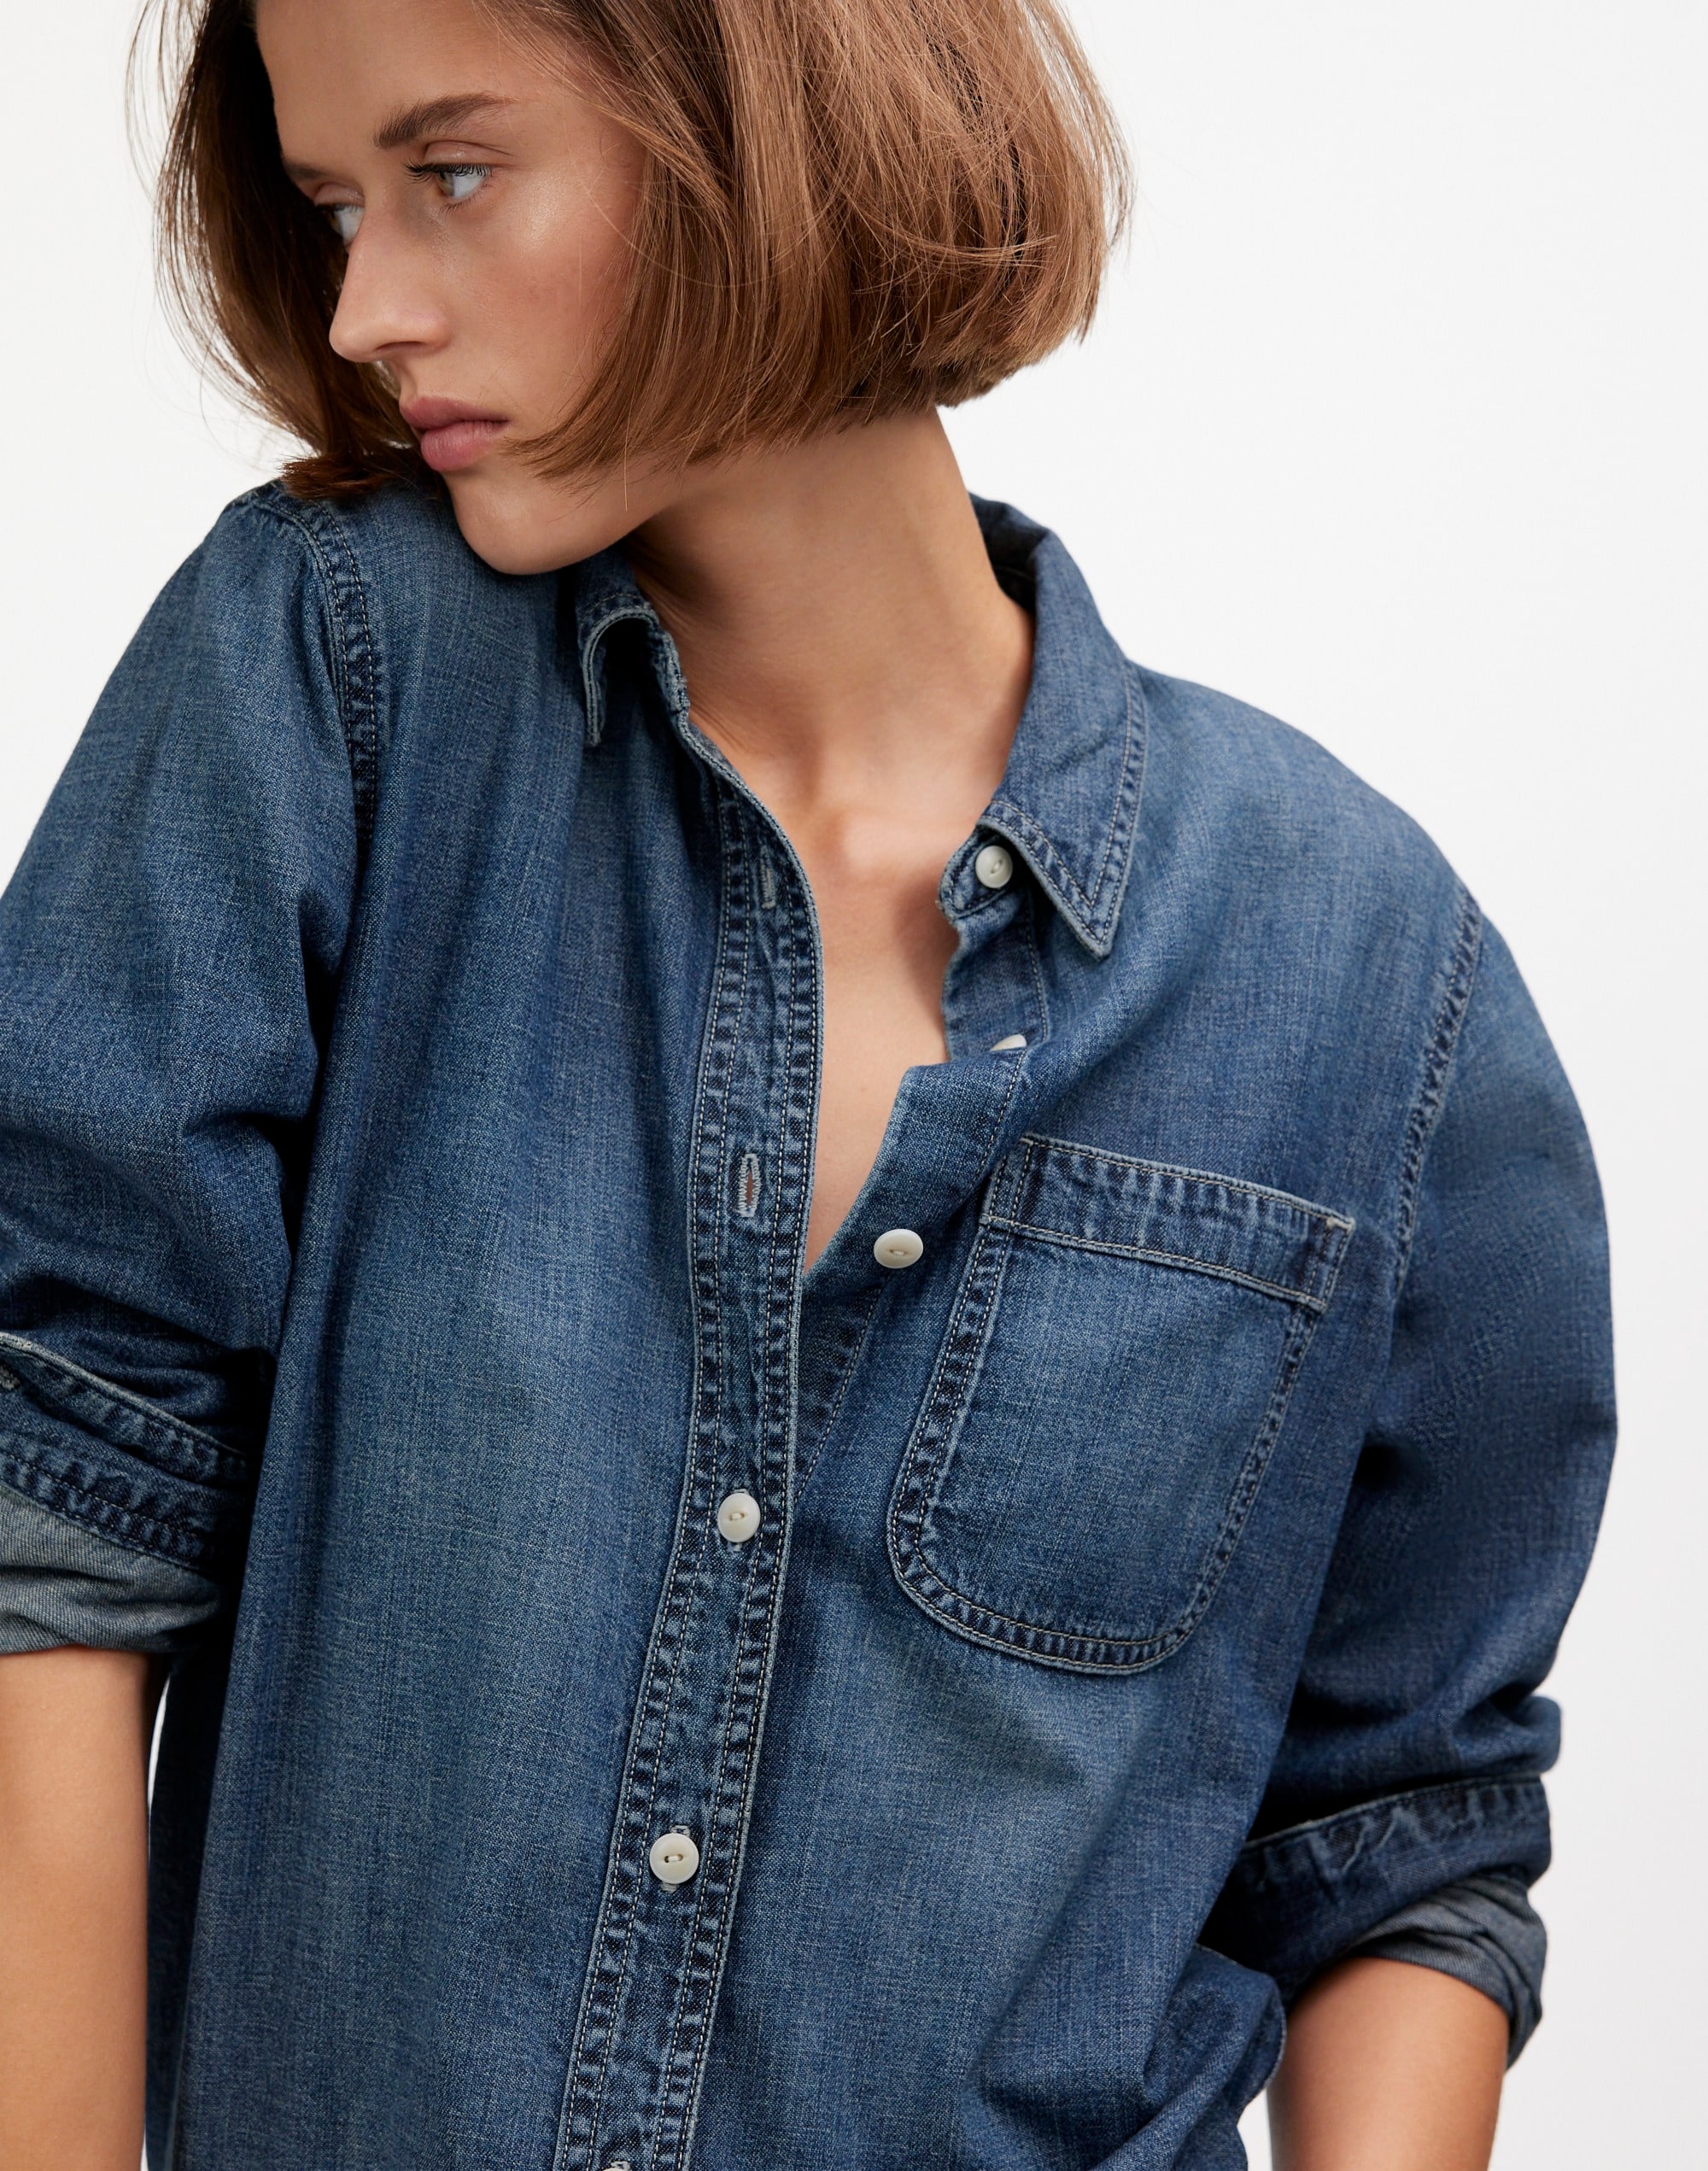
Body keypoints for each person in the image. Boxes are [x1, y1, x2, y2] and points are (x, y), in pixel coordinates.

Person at [0, 0, 1615, 2166]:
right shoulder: (338, 691)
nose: (366, 305)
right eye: (330, 204)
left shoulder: (1365, 970)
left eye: (453, 173)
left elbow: (1396, 1830)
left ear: (767, 121)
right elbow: (51, 1518)